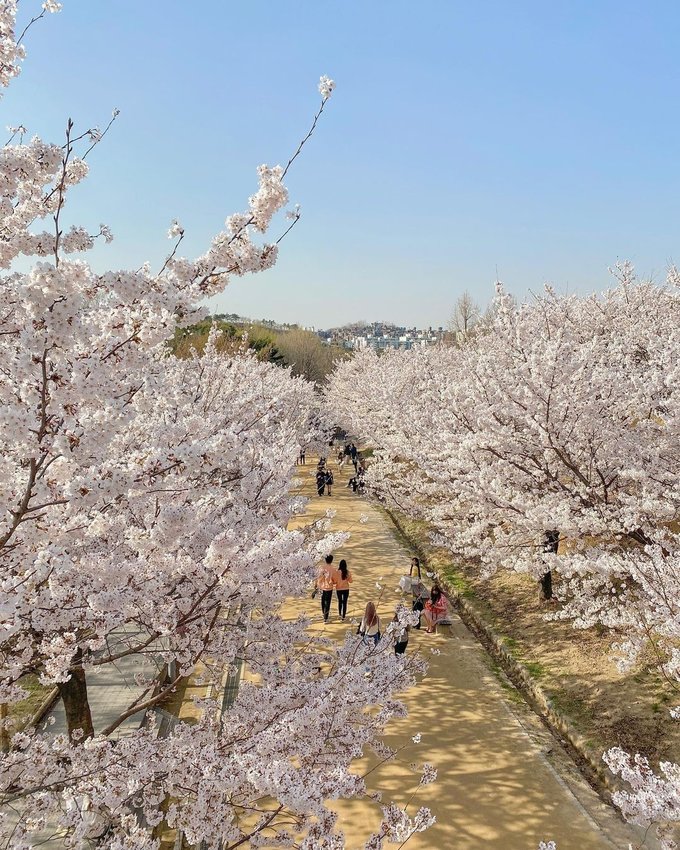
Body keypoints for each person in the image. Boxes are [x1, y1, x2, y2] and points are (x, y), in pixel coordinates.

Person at [316, 555, 335, 622]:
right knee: (328, 602)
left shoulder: (321, 568)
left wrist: (316, 585)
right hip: (329, 588)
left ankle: (324, 614)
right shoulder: (333, 569)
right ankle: (325, 617)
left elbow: (318, 577)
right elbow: (334, 579)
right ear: (331, 560)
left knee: (323, 601)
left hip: (321, 587)